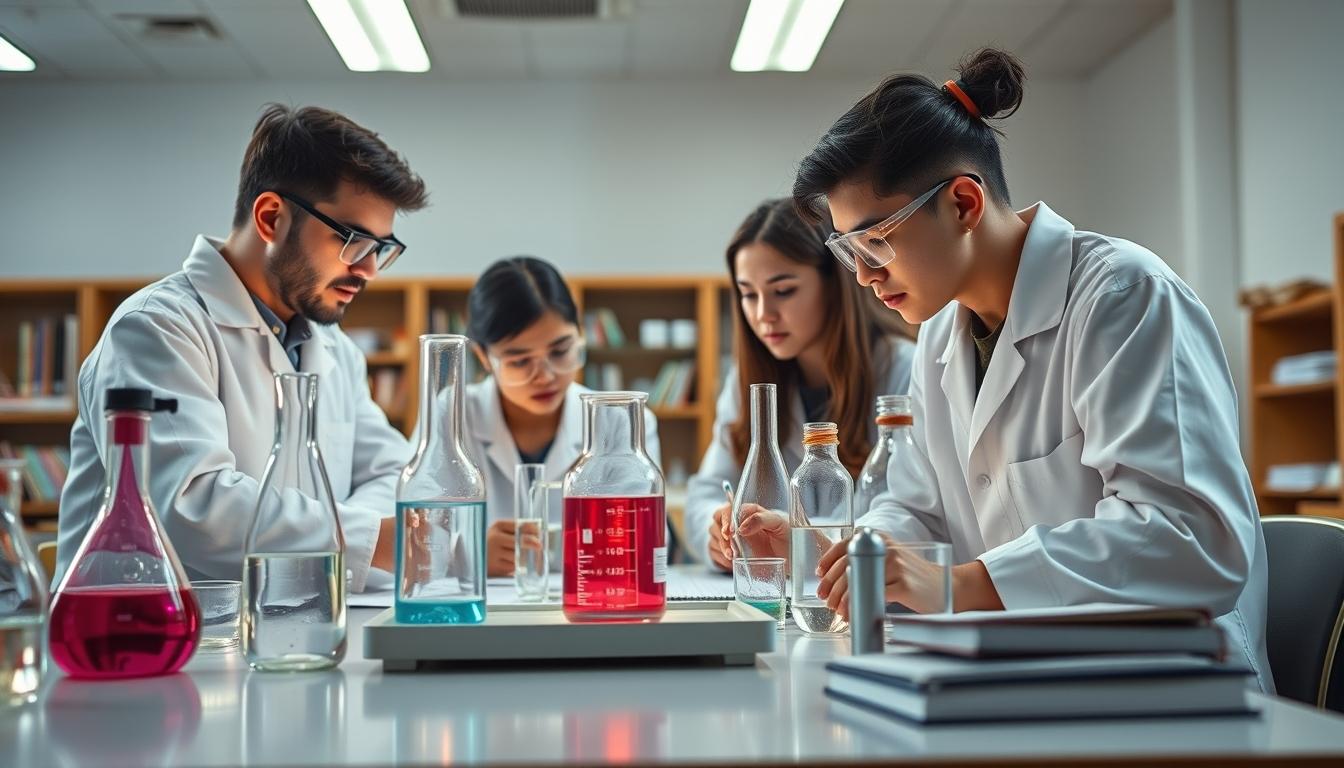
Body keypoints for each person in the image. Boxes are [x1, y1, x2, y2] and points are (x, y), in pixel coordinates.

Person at [789, 48, 1272, 692]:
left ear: (963, 202)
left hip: (1172, 690)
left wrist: (962, 584)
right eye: (848, 250)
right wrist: (857, 560)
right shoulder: (939, 337)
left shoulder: (1121, 297)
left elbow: (1189, 540)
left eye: (876, 241)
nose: (864, 275)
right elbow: (917, 509)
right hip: (1034, 675)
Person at [55, 104, 426, 593]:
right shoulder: (157, 329)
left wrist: (363, 537)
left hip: (292, 622)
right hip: (141, 635)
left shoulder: (334, 350)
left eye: (381, 248)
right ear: (272, 218)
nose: (370, 270)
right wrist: (369, 540)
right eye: (354, 240)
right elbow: (193, 505)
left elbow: (389, 472)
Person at [687, 198, 916, 571]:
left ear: (835, 283)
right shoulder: (745, 382)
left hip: (861, 590)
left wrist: (804, 544)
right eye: (748, 294)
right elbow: (708, 491)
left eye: (783, 291)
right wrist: (716, 532)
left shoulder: (904, 370)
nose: (763, 314)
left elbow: (909, 513)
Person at [462, 257, 661, 577]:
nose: (545, 375)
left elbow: (635, 544)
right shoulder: (454, 416)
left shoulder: (620, 421)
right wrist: (467, 552)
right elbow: (419, 534)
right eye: (520, 361)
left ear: (580, 335)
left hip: (592, 607)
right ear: (483, 357)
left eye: (560, 352)